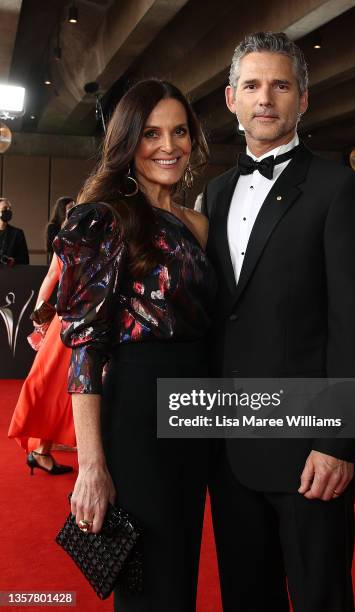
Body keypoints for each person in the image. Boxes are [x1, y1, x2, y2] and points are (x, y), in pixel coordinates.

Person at [201, 32, 355, 611]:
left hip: (309, 453)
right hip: (228, 450)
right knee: (246, 598)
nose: (265, 98)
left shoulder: (341, 190)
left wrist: (340, 443)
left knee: (319, 598)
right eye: (252, 85)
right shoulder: (215, 194)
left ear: (303, 99)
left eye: (281, 85)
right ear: (231, 98)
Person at [54, 79, 216, 611]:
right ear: (128, 141)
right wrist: (92, 465)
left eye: (179, 132)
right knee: (150, 588)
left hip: (196, 413)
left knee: (181, 570)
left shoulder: (197, 224)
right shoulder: (104, 218)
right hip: (138, 415)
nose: (169, 146)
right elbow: (85, 350)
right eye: (151, 134)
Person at [8, 249, 75, 474]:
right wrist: (40, 324)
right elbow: (50, 277)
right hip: (73, 321)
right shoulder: (76, 237)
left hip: (72, 321)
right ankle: (41, 451)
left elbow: (50, 277)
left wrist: (40, 324)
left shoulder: (70, 235)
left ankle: (41, 451)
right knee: (56, 387)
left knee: (57, 387)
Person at [0, 197, 29, 265]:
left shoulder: (17, 233)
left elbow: (25, 260)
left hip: (10, 273)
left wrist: (14, 261)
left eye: (10, 209)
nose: (8, 210)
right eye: (5, 208)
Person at [46, 197, 75, 263]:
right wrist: (66, 222)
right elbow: (55, 246)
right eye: (70, 208)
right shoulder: (52, 227)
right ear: (62, 210)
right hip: (58, 261)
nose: (73, 211)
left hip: (71, 261)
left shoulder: (74, 225)